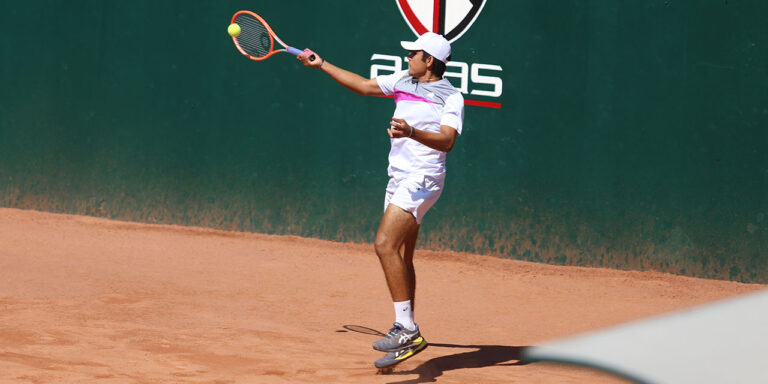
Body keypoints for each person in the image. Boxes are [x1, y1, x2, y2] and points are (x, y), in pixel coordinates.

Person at [297, 32, 464, 365]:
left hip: (423, 179)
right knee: (402, 254)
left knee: (384, 244)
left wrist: (411, 132)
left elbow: (447, 141)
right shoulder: (404, 80)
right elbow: (364, 85)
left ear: (429, 60)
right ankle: (409, 339)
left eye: (413, 54)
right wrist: (322, 65)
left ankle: (405, 327)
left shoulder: (452, 97)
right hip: (399, 176)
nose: (407, 58)